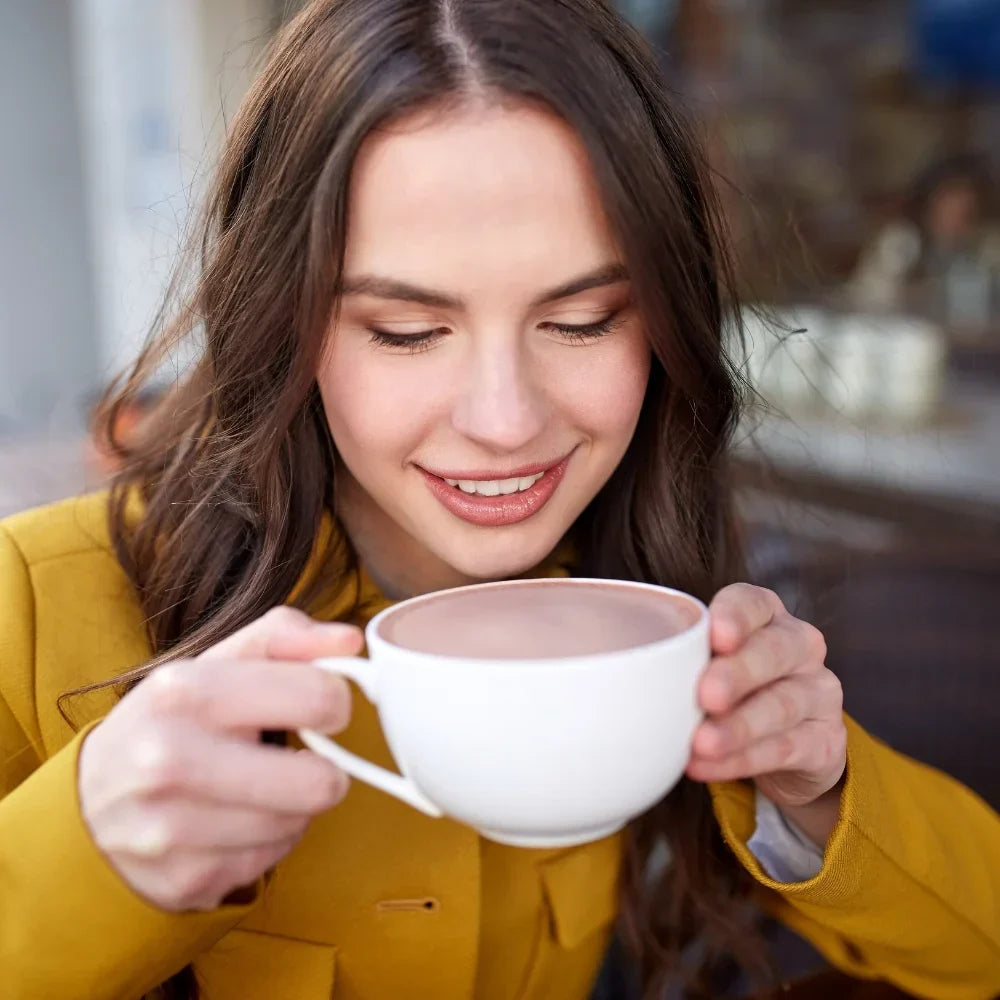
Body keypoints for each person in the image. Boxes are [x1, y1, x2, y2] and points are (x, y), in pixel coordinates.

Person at [1, 3, 998, 999]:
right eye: (403, 329)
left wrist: (817, 792)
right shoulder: (35, 605)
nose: (505, 421)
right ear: (283, 322)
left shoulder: (662, 599)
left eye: (580, 320)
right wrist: (80, 858)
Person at [847, 153, 1000, 326]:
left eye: (967, 207)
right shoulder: (900, 242)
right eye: (949, 201)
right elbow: (867, 301)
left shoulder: (986, 247)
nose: (956, 212)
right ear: (929, 201)